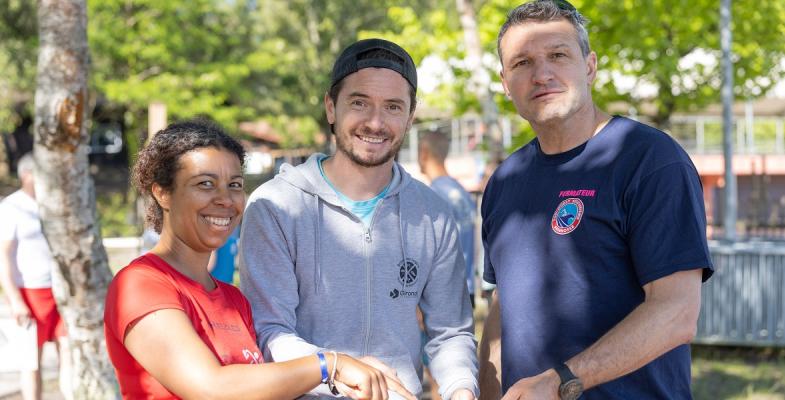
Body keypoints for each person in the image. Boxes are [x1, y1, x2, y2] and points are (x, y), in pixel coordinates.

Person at [479, 1, 714, 399]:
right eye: (522, 63)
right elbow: (504, 308)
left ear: (589, 67)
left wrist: (560, 381)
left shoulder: (649, 160)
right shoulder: (506, 180)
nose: (542, 74)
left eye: (558, 55)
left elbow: (676, 312)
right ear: (505, 82)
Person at [104, 120, 413, 400]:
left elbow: (266, 386)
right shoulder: (141, 284)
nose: (225, 199)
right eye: (205, 184)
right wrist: (331, 364)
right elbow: (211, 388)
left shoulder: (233, 300)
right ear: (163, 193)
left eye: (235, 185)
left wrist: (352, 374)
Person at [240, 39, 478, 400]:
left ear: (410, 116)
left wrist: (461, 390)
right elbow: (269, 331)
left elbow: (450, 333)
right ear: (331, 108)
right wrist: (338, 369)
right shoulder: (276, 206)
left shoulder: (433, 213)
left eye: (393, 107)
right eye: (359, 103)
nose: (375, 122)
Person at [0, 153, 72, 400]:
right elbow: (3, 257)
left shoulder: (53, 204)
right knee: (32, 362)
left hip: (60, 291)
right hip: (29, 293)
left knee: (68, 351)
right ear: (27, 175)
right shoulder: (11, 208)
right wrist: (15, 300)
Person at [417, 130, 477, 307]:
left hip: (444, 295)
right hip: (467, 288)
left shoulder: (432, 195)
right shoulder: (462, 192)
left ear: (424, 152)